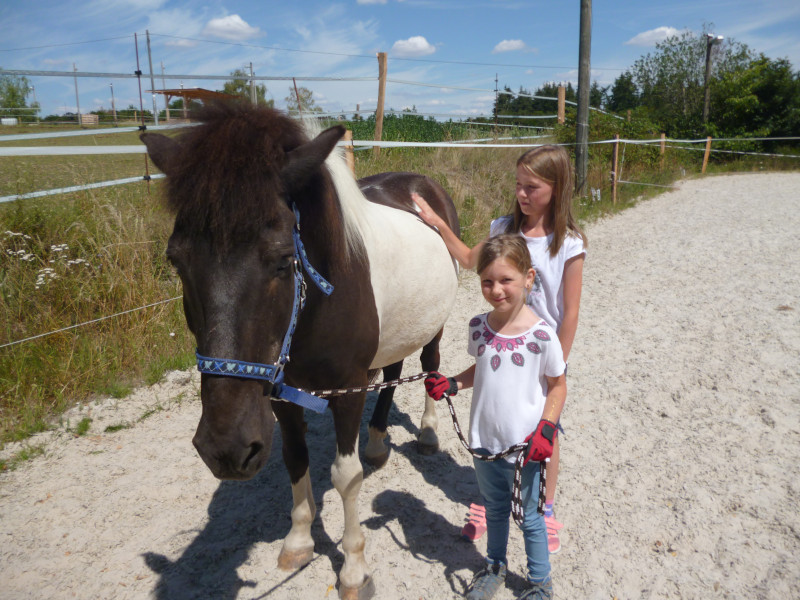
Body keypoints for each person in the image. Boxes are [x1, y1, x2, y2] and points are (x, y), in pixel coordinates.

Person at [412, 144, 586, 554]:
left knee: (544, 429)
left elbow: (571, 310)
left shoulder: (569, 243)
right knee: (492, 418)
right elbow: (472, 259)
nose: (522, 194)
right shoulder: (503, 227)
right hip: (501, 342)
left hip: (542, 351)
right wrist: (438, 221)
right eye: (518, 185)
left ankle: (544, 506)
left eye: (532, 187)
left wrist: (555, 362)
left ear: (556, 189)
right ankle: (486, 500)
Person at [425, 234, 566, 600]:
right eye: (487, 281)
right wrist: (454, 383)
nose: (496, 289)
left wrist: (547, 429)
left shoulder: (543, 335)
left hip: (526, 448)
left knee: (531, 519)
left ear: (529, 279)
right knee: (496, 510)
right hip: (484, 443)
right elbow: (483, 368)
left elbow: (558, 385)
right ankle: (495, 568)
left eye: (506, 280)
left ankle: (540, 584)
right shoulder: (478, 327)